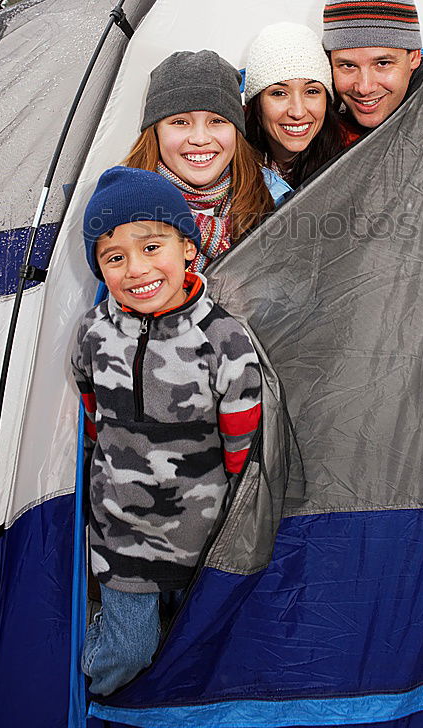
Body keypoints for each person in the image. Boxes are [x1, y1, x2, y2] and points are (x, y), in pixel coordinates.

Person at [72, 166, 263, 695]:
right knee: (128, 652)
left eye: (152, 247)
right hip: (123, 534)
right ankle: (97, 697)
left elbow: (242, 443)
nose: (137, 269)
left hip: (201, 537)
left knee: (190, 649)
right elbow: (93, 411)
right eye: (115, 257)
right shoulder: (93, 332)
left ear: (187, 249)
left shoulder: (223, 337)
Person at [124, 49, 289, 272]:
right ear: (155, 132)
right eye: (180, 122)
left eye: (217, 121)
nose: (200, 139)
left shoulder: (274, 199)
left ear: (236, 131)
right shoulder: (123, 205)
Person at [322, 0, 423, 142]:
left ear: (414, 57)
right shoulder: (314, 140)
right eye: (348, 66)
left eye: (383, 63)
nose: (364, 88)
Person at [244, 22, 344, 188]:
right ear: (257, 104)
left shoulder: (351, 160)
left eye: (311, 91)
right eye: (279, 93)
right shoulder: (229, 170)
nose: (297, 112)